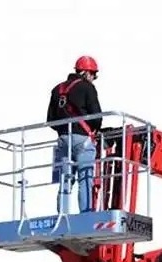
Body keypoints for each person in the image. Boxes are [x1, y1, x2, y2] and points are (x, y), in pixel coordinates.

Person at [47, 56, 102, 213]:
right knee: (85, 177)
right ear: (86, 72)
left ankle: (62, 214)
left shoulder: (57, 90)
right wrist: (93, 129)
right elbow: (97, 117)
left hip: (63, 140)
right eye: (93, 75)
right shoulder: (87, 88)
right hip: (82, 140)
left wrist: (64, 130)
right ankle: (85, 214)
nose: (93, 78)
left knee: (65, 179)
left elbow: (50, 120)